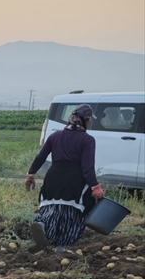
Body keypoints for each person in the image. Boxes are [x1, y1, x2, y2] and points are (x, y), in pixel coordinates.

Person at [25, 103, 102, 252]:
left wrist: (30, 174)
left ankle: (41, 225)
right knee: (72, 213)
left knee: (50, 207)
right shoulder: (87, 140)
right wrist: (95, 187)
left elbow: (40, 157)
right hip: (74, 180)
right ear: (85, 120)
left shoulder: (55, 136)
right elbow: (87, 168)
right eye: (89, 120)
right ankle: (61, 246)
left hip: (53, 177)